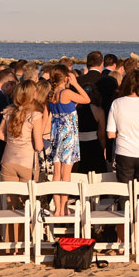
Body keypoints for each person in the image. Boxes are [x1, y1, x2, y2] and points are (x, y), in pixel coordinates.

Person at [39, 66, 89, 216]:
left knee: (56, 173)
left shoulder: (51, 94)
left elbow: (46, 116)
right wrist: (76, 84)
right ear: (65, 77)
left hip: (56, 135)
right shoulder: (67, 93)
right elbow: (87, 99)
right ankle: (63, 208)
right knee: (66, 175)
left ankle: (57, 208)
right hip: (68, 136)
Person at [0, 80, 46, 184]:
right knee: (28, 198)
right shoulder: (35, 115)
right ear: (33, 95)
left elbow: (0, 136)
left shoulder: (8, 112)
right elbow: (38, 146)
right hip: (27, 162)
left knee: (11, 199)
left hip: (8, 160)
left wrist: (13, 141)